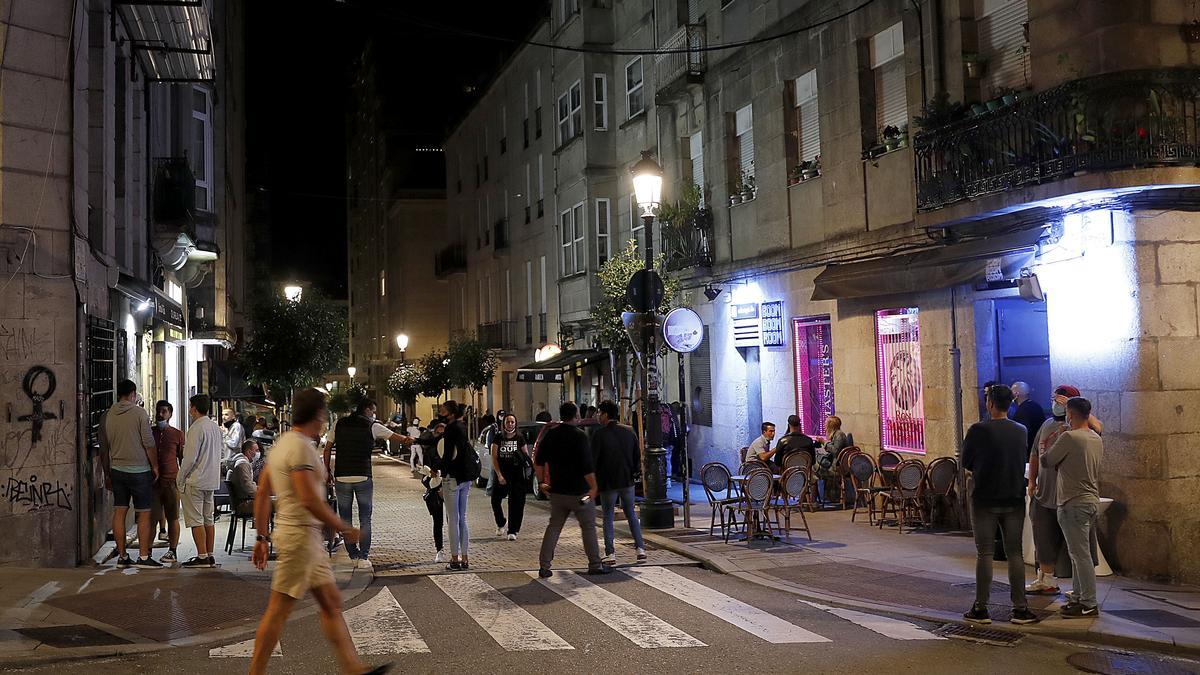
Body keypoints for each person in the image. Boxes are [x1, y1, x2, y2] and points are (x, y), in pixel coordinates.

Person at [249, 388, 389, 675]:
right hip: (299, 535)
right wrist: (343, 528)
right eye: (324, 413)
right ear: (318, 415)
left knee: (331, 603)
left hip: (304, 537)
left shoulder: (283, 444)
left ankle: (352, 668)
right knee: (278, 610)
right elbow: (308, 499)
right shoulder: (299, 448)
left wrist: (262, 537)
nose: (325, 419)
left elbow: (263, 493)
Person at [961, 384, 1038, 625]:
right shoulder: (1021, 430)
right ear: (1010, 404)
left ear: (990, 404)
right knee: (1014, 552)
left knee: (984, 553)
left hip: (984, 498)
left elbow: (967, 461)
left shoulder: (977, 430)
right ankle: (1020, 608)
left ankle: (981, 607)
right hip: (1013, 497)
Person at [1025, 384, 1104, 596]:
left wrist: (1073, 414)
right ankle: (1052, 582)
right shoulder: (1047, 425)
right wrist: (1032, 481)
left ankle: (1085, 597)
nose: (1055, 404)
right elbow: (1035, 454)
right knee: (1045, 539)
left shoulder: (1077, 434)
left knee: (1079, 551)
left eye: (1062, 401)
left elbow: (1047, 458)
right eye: (1055, 399)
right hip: (1047, 495)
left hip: (1070, 498)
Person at [323, 398, 413, 569]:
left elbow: (327, 448)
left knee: (345, 518)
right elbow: (399, 438)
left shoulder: (338, 423)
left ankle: (352, 554)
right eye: (372, 410)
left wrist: (327, 471)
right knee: (365, 518)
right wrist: (413, 440)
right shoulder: (373, 425)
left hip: (342, 477)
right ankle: (364, 557)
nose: (374, 414)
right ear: (366, 410)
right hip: (363, 476)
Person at [1043, 396, 1104, 618]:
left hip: (1072, 501)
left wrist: (1055, 438)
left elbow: (1046, 461)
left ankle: (1088, 602)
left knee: (1080, 556)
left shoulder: (1069, 437)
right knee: (1080, 553)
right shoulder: (1095, 438)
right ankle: (1078, 597)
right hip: (1089, 500)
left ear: (1070, 414)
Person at [535, 402, 608, 578]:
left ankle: (544, 566)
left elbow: (538, 461)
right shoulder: (580, 436)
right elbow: (586, 467)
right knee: (588, 527)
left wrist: (541, 482)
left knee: (554, 527)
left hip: (558, 491)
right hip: (580, 492)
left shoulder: (551, 435)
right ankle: (595, 563)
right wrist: (594, 487)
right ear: (575, 416)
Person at [98, 380, 161, 569]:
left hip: (117, 470)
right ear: (133, 394)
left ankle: (123, 556)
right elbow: (149, 443)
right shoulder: (139, 413)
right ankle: (143, 557)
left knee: (119, 511)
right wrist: (155, 466)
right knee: (143, 514)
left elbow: (104, 448)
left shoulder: (107, 415)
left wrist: (107, 472)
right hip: (140, 471)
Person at [593, 400, 647, 565]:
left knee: (608, 516)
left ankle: (611, 553)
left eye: (600, 412)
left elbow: (593, 460)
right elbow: (636, 455)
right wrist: (634, 472)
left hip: (608, 482)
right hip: (627, 480)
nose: (598, 416)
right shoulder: (629, 431)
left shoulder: (599, 435)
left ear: (606, 415)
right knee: (631, 514)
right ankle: (640, 549)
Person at [428, 401, 478, 571]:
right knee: (462, 518)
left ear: (449, 412)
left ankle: (454, 559)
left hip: (452, 478)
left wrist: (436, 468)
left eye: (443, 409)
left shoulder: (450, 428)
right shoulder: (462, 427)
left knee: (453, 520)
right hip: (465, 478)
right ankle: (465, 558)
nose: (440, 410)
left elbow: (448, 455)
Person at [179, 394, 224, 569]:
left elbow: (189, 458)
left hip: (196, 480)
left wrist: (180, 477)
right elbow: (219, 454)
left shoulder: (196, 428)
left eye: (191, 406)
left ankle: (202, 556)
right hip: (211, 480)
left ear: (195, 408)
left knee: (196, 519)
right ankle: (209, 554)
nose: (189, 409)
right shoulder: (214, 428)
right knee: (208, 518)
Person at [151, 400, 185, 564]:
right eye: (159, 411)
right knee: (151, 517)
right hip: (153, 482)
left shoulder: (177, 434)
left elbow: (182, 457)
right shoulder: (150, 432)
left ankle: (172, 550)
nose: (160, 414)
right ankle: (147, 552)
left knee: (173, 517)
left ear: (170, 414)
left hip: (171, 481)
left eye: (164, 411)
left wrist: (182, 480)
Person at [490, 413, 531, 541]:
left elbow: (526, 456)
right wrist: (499, 475)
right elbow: (494, 457)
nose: (510, 424)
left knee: (516, 503)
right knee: (495, 500)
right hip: (502, 474)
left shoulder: (520, 437)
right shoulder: (498, 437)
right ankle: (501, 522)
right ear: (504, 424)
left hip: (517, 475)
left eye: (512, 422)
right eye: (508, 422)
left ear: (515, 423)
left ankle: (513, 530)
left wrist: (524, 460)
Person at [420, 422, 448, 562]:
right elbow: (424, 476)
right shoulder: (430, 451)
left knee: (456, 521)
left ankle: (458, 550)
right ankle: (439, 550)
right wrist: (436, 486)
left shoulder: (453, 450)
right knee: (438, 522)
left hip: (451, 490)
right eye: (438, 433)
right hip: (435, 492)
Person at [814, 415, 850, 504]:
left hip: (836, 468)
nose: (824, 426)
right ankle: (818, 497)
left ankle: (813, 498)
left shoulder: (839, 435)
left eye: (826, 424)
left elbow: (835, 450)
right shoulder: (836, 434)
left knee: (812, 468)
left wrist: (824, 442)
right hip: (834, 464)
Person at [1009, 382, 1046, 458]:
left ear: (1016, 394)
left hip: (1029, 453)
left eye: (1011, 392)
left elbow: (1022, 436)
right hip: (1039, 449)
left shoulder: (1021, 411)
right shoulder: (1036, 406)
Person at [228, 439, 260, 504]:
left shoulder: (243, 462)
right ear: (249, 452)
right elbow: (248, 487)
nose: (258, 453)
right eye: (256, 450)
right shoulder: (243, 464)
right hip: (243, 502)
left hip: (245, 499)